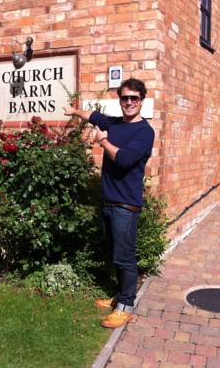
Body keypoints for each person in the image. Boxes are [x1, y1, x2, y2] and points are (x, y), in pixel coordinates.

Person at [63, 78, 155, 328]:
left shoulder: (144, 132)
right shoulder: (114, 123)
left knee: (125, 257)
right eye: (125, 98)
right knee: (115, 254)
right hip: (109, 202)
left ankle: (126, 306)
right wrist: (74, 111)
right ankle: (118, 297)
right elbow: (94, 116)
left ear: (141, 101)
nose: (129, 102)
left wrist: (102, 141)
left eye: (134, 98)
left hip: (126, 205)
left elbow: (124, 160)